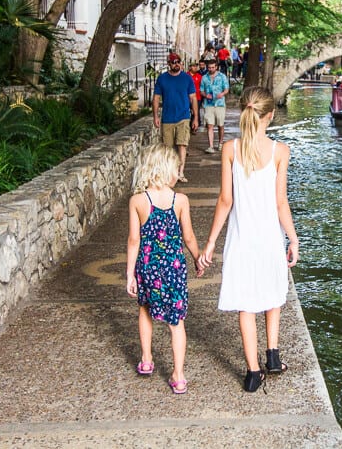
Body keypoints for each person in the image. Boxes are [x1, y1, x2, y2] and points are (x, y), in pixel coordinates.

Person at [198, 86, 299, 393]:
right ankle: (273, 355)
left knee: (246, 305)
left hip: (240, 241)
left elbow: (225, 201)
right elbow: (281, 203)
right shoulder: (280, 151)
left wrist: (211, 242)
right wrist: (293, 239)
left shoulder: (230, 149)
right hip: (269, 239)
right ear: (270, 115)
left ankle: (253, 372)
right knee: (273, 295)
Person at [126, 144, 203, 393]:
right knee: (176, 322)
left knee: (145, 309)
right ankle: (178, 376)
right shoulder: (180, 200)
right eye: (175, 169)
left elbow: (133, 240)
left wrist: (130, 274)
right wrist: (197, 257)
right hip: (173, 269)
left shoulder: (138, 201)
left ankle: (147, 360)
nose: (177, 174)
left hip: (148, 268)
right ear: (165, 169)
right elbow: (188, 237)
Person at [154, 54, 198, 183]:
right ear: (169, 63)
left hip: (183, 116)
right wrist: (155, 116)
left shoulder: (187, 78)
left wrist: (195, 117)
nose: (176, 64)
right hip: (167, 118)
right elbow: (156, 98)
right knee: (167, 148)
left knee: (182, 145)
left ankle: (180, 172)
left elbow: (193, 97)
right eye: (173, 62)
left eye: (178, 62)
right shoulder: (162, 79)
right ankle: (169, 173)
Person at [200, 59, 230, 154]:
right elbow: (201, 90)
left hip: (220, 104)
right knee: (210, 125)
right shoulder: (204, 78)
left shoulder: (222, 76)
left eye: (213, 67)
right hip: (208, 104)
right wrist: (205, 95)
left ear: (216, 67)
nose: (211, 69)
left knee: (220, 125)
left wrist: (222, 94)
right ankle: (211, 146)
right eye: (209, 67)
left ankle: (220, 143)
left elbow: (226, 89)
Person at [187, 61, 203, 128]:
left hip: (197, 97)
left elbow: (202, 86)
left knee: (195, 111)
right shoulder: (186, 75)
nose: (195, 68)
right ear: (190, 67)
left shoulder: (199, 76)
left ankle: (194, 127)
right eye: (194, 66)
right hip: (187, 97)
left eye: (196, 66)